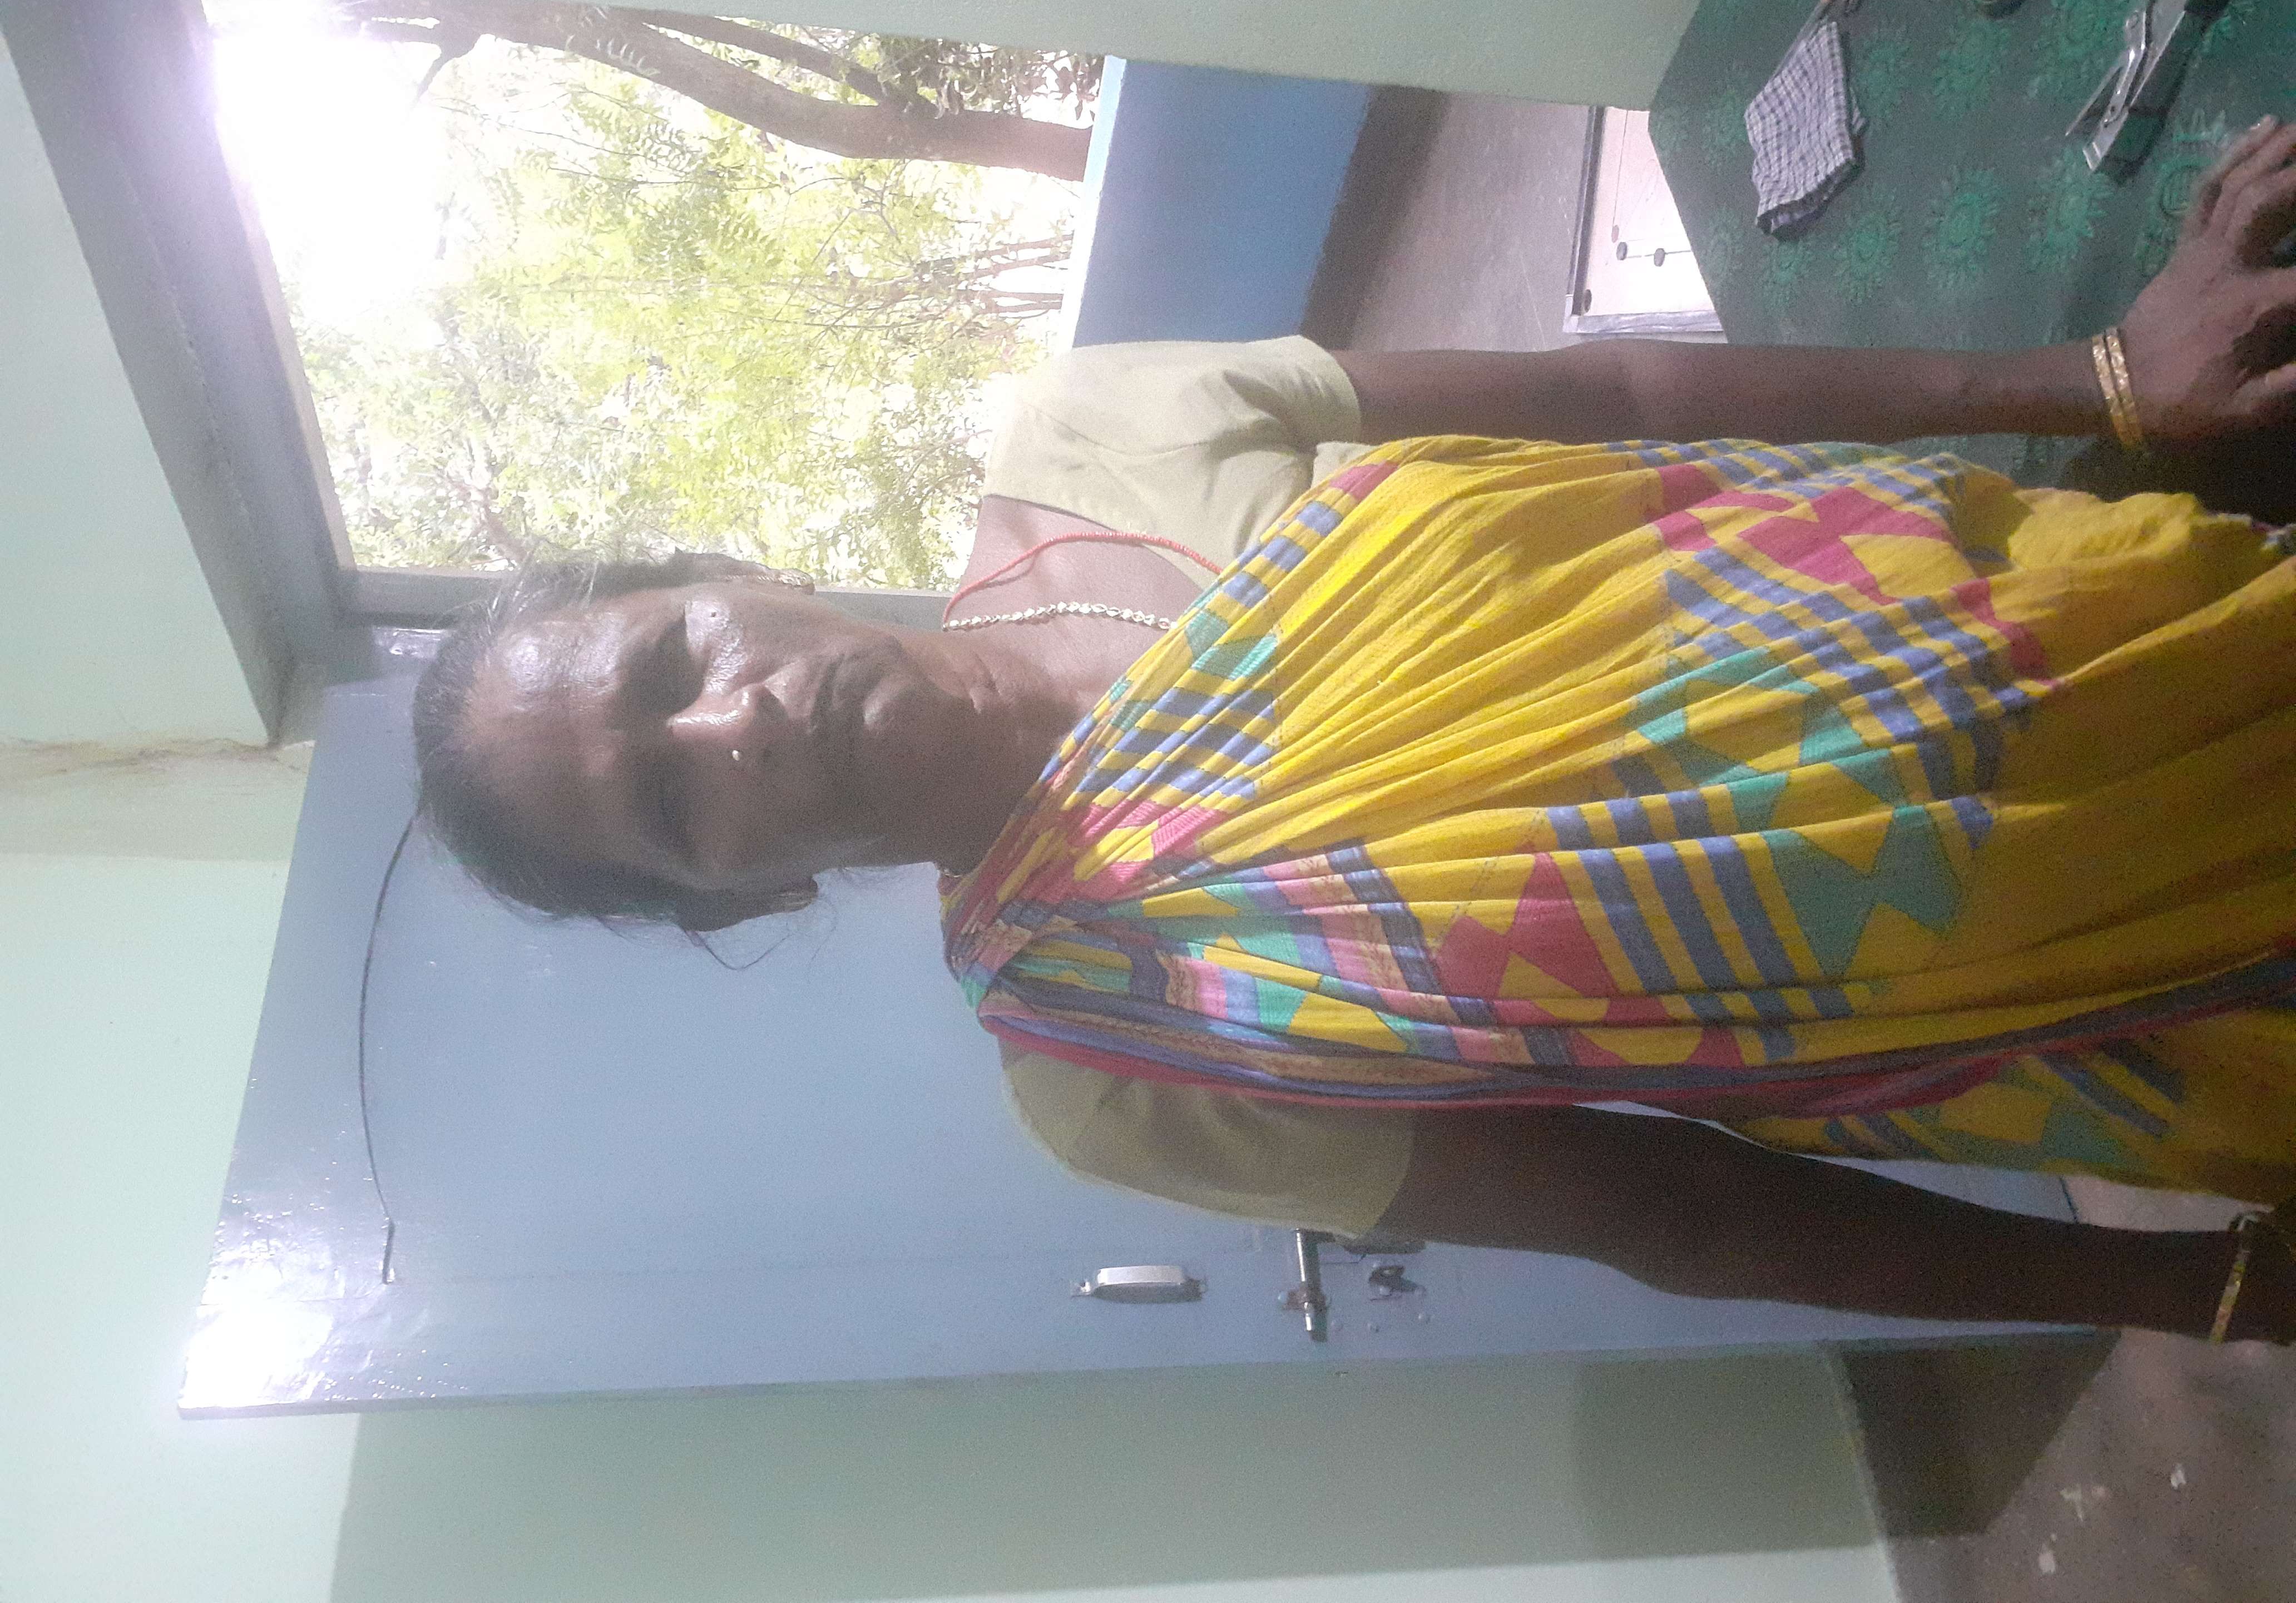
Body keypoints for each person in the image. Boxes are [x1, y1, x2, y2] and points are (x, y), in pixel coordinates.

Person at [415, 121, 2296, 1344]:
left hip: (2174, 643)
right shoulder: (1106, 1058)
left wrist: (2101, 380)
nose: (731, 728)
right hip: (2178, 1015)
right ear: (737, 898)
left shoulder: (1103, 432)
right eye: (670, 805)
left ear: (725, 573)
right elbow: (1665, 1202)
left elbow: (1616, 394)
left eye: (670, 662)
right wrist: (2203, 1292)